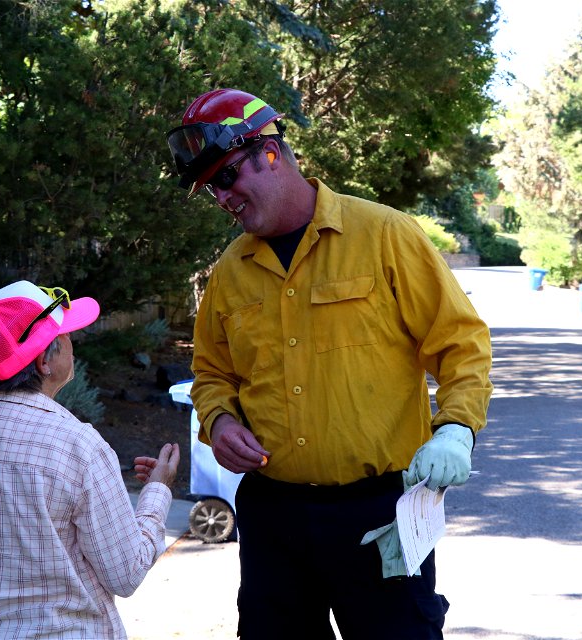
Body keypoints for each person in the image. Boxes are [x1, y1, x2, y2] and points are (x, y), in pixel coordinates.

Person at [163, 88, 493, 639]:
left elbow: (460, 343)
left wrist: (456, 430)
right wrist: (219, 421)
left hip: (381, 514)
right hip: (273, 517)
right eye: (210, 190)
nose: (222, 198)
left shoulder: (386, 236)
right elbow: (212, 372)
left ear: (269, 151)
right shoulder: (230, 272)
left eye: (225, 178)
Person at [0, 280, 181, 639]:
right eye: (65, 338)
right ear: (44, 361)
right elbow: (126, 573)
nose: (73, 348)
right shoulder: (78, 447)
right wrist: (157, 491)